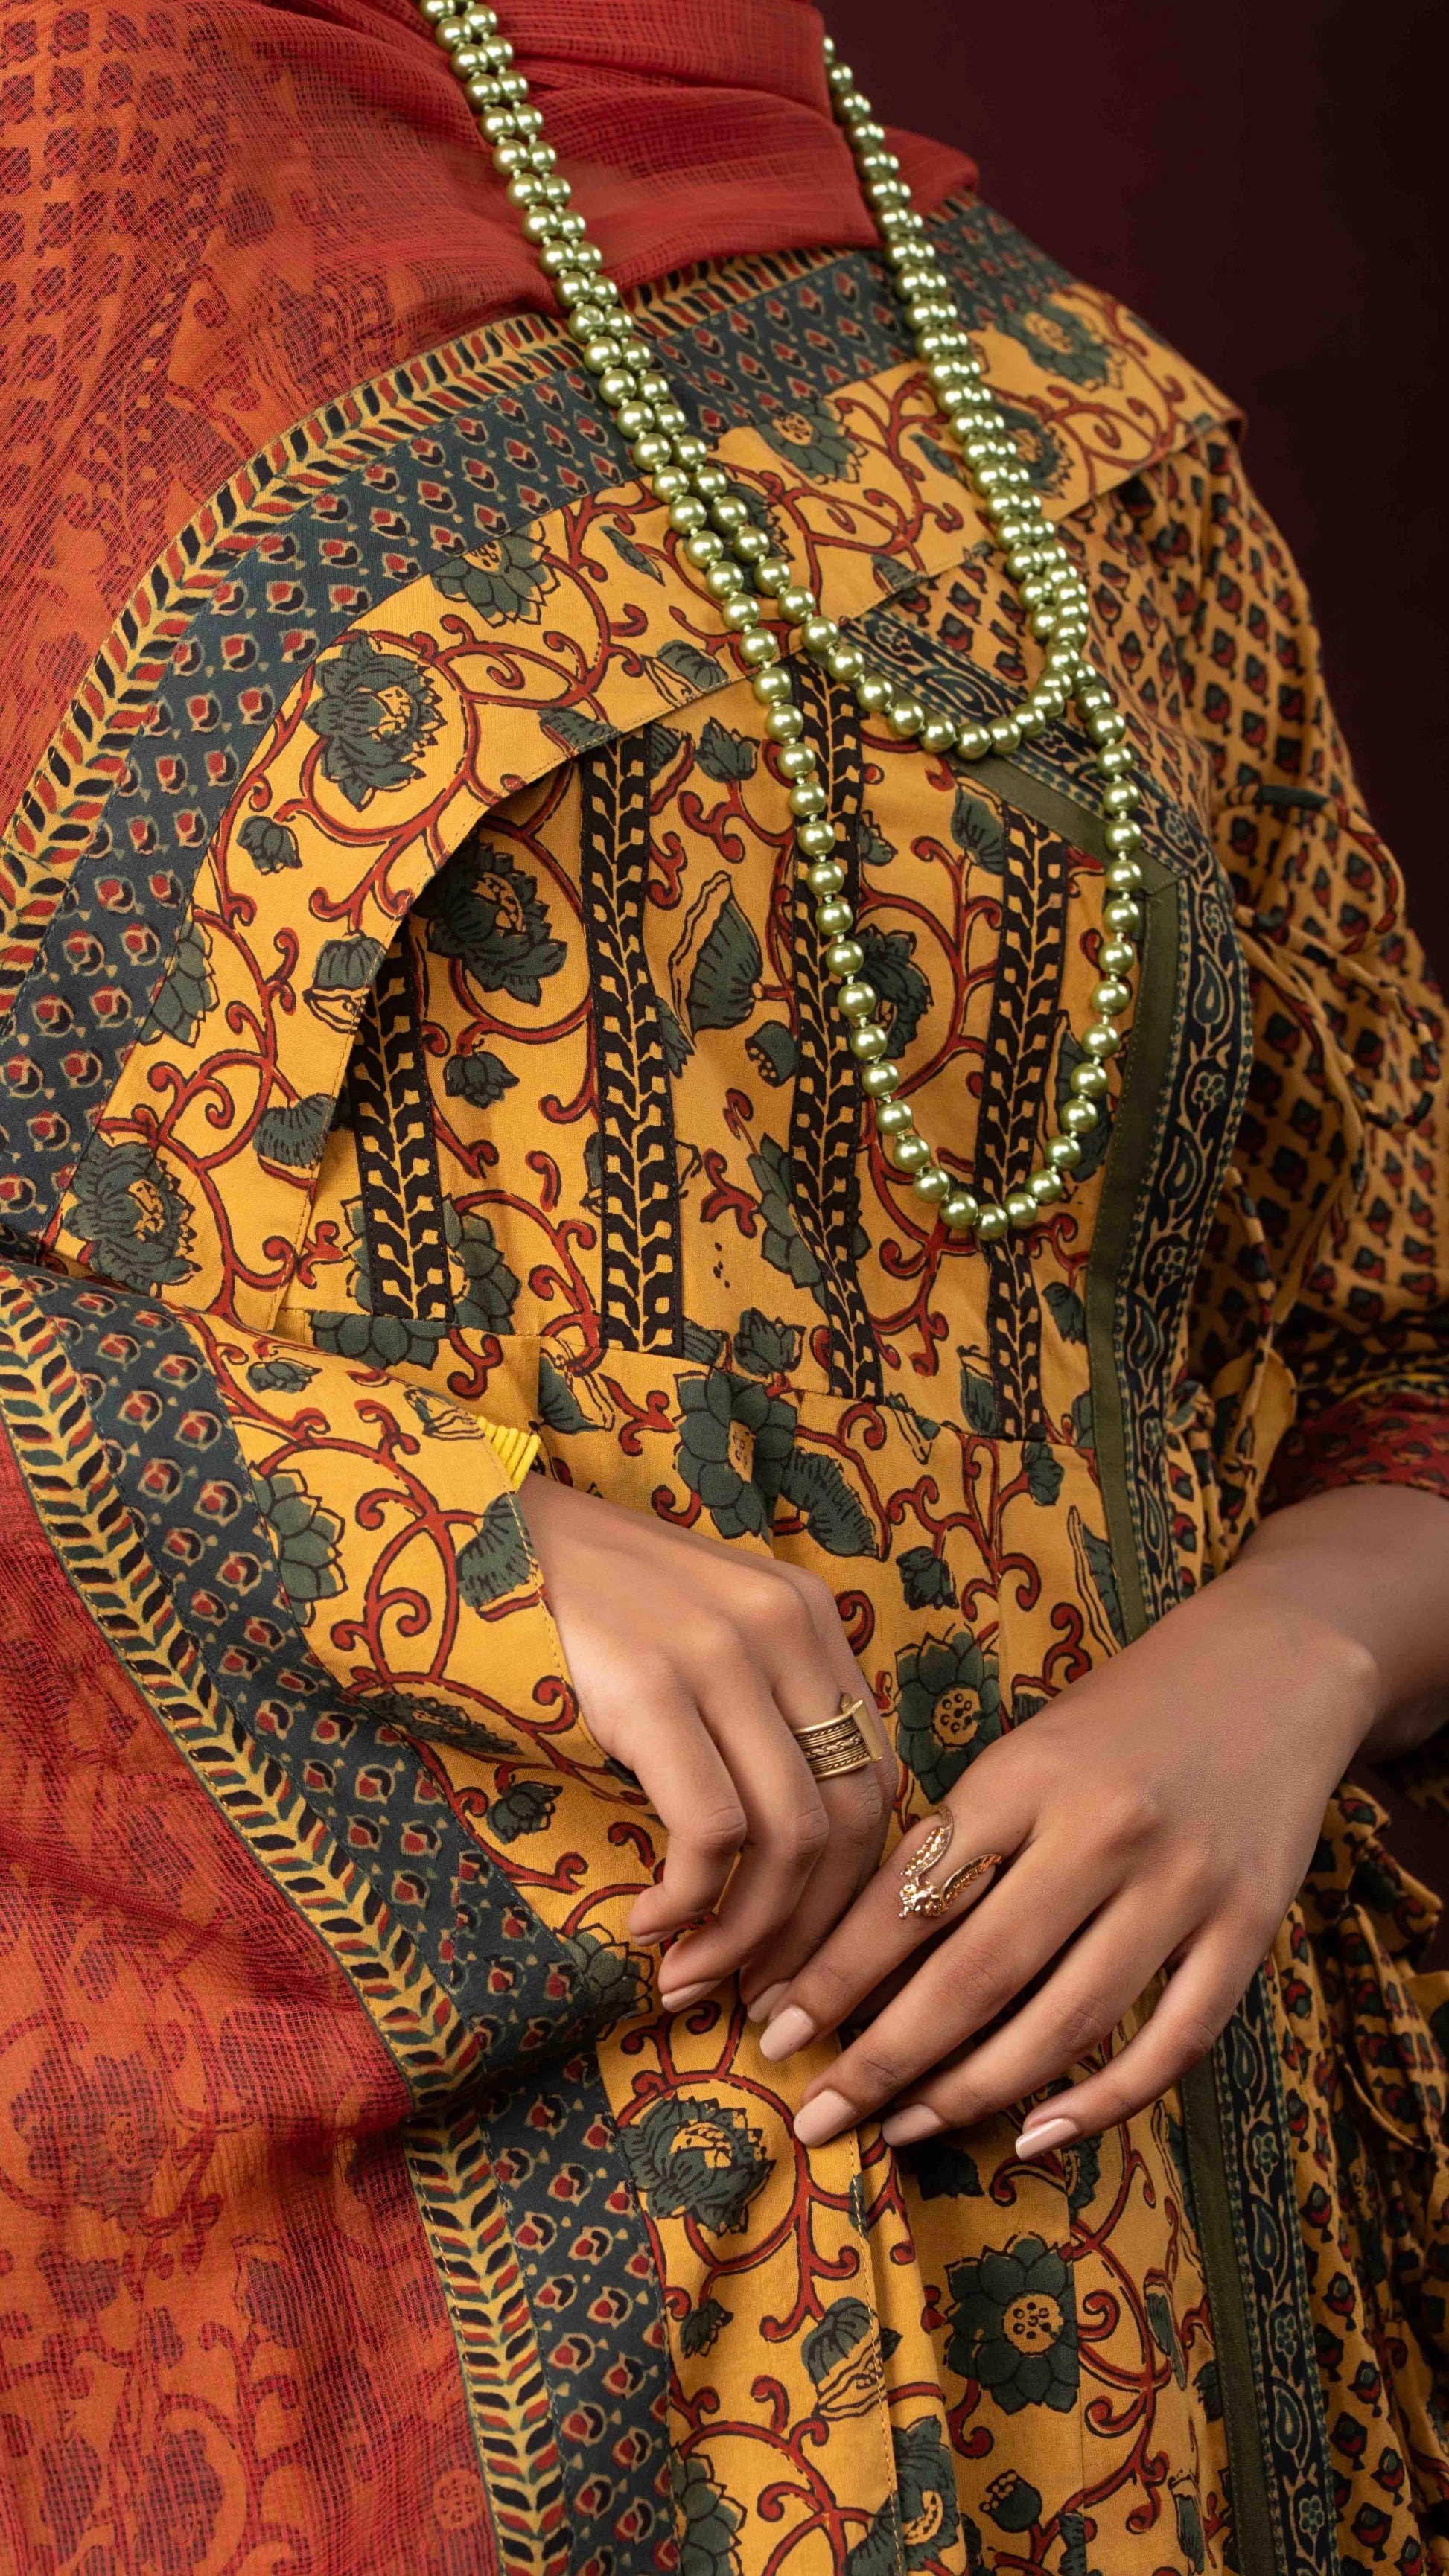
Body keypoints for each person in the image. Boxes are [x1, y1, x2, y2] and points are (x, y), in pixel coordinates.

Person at [1, 0, 1446, 2566]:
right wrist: (432, 1536)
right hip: (366, 2300)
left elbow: (1387, 1324)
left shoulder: (1057, 407)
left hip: (1116, 2276)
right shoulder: (75, 187)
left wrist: (1294, 1653)